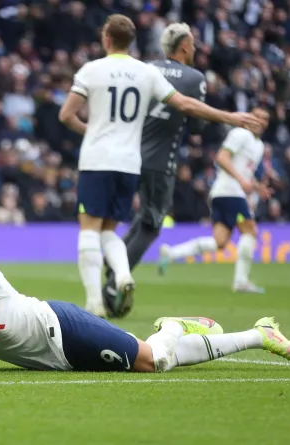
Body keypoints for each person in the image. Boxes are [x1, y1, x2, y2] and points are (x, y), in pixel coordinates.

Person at [0, 214, 290, 374]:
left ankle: (233, 332)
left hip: (59, 329)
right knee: (155, 360)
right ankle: (237, 333)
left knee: (155, 361)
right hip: (45, 359)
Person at [57, 14, 257, 318]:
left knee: (90, 228)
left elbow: (65, 116)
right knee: (111, 228)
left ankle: (95, 301)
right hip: (129, 163)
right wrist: (230, 117)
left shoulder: (92, 69)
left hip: (98, 159)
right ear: (131, 40)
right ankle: (123, 274)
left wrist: (93, 131)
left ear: (106, 39)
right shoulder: (144, 73)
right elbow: (186, 105)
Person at [101, 23, 207, 318]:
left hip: (127, 154)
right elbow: (197, 126)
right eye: (194, 44)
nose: (196, 49)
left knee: (134, 217)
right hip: (160, 162)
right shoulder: (194, 77)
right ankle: (113, 284)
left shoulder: (144, 69)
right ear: (184, 46)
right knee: (152, 223)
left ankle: (115, 257)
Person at [158, 106, 272, 293]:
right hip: (229, 192)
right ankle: (241, 281)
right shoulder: (240, 134)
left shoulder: (258, 146)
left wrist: (257, 187)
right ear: (248, 117)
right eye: (256, 116)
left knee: (220, 242)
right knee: (250, 231)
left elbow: (244, 170)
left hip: (225, 193)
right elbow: (222, 158)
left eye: (264, 118)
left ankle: (172, 253)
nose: (260, 121)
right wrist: (242, 181)